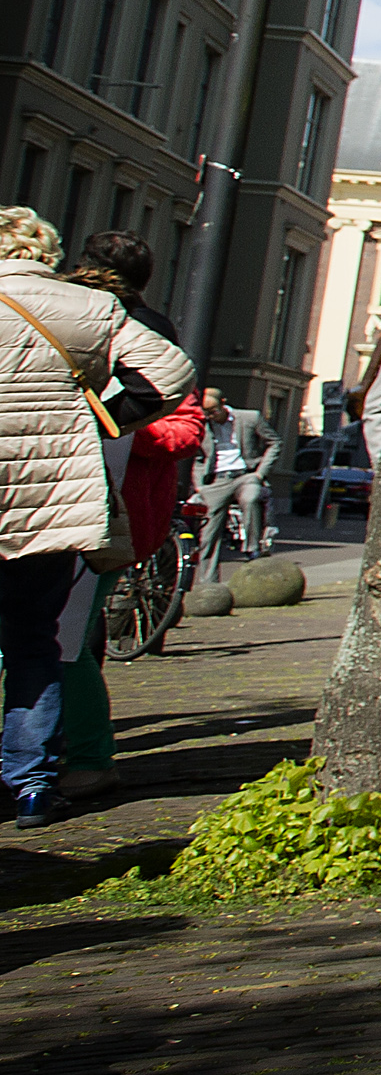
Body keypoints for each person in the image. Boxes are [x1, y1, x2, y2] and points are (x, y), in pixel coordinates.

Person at [0, 208, 190, 826]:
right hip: (54, 500)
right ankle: (29, 782)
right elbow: (171, 373)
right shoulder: (87, 309)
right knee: (35, 642)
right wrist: (109, 418)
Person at [196, 392, 271, 562]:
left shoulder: (249, 418)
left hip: (245, 475)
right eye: (206, 413)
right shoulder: (203, 425)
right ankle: (208, 583)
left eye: (214, 411)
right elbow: (197, 456)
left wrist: (260, 472)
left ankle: (252, 547)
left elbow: (274, 442)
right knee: (208, 536)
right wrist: (200, 484)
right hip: (217, 478)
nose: (211, 416)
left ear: (223, 403)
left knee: (250, 498)